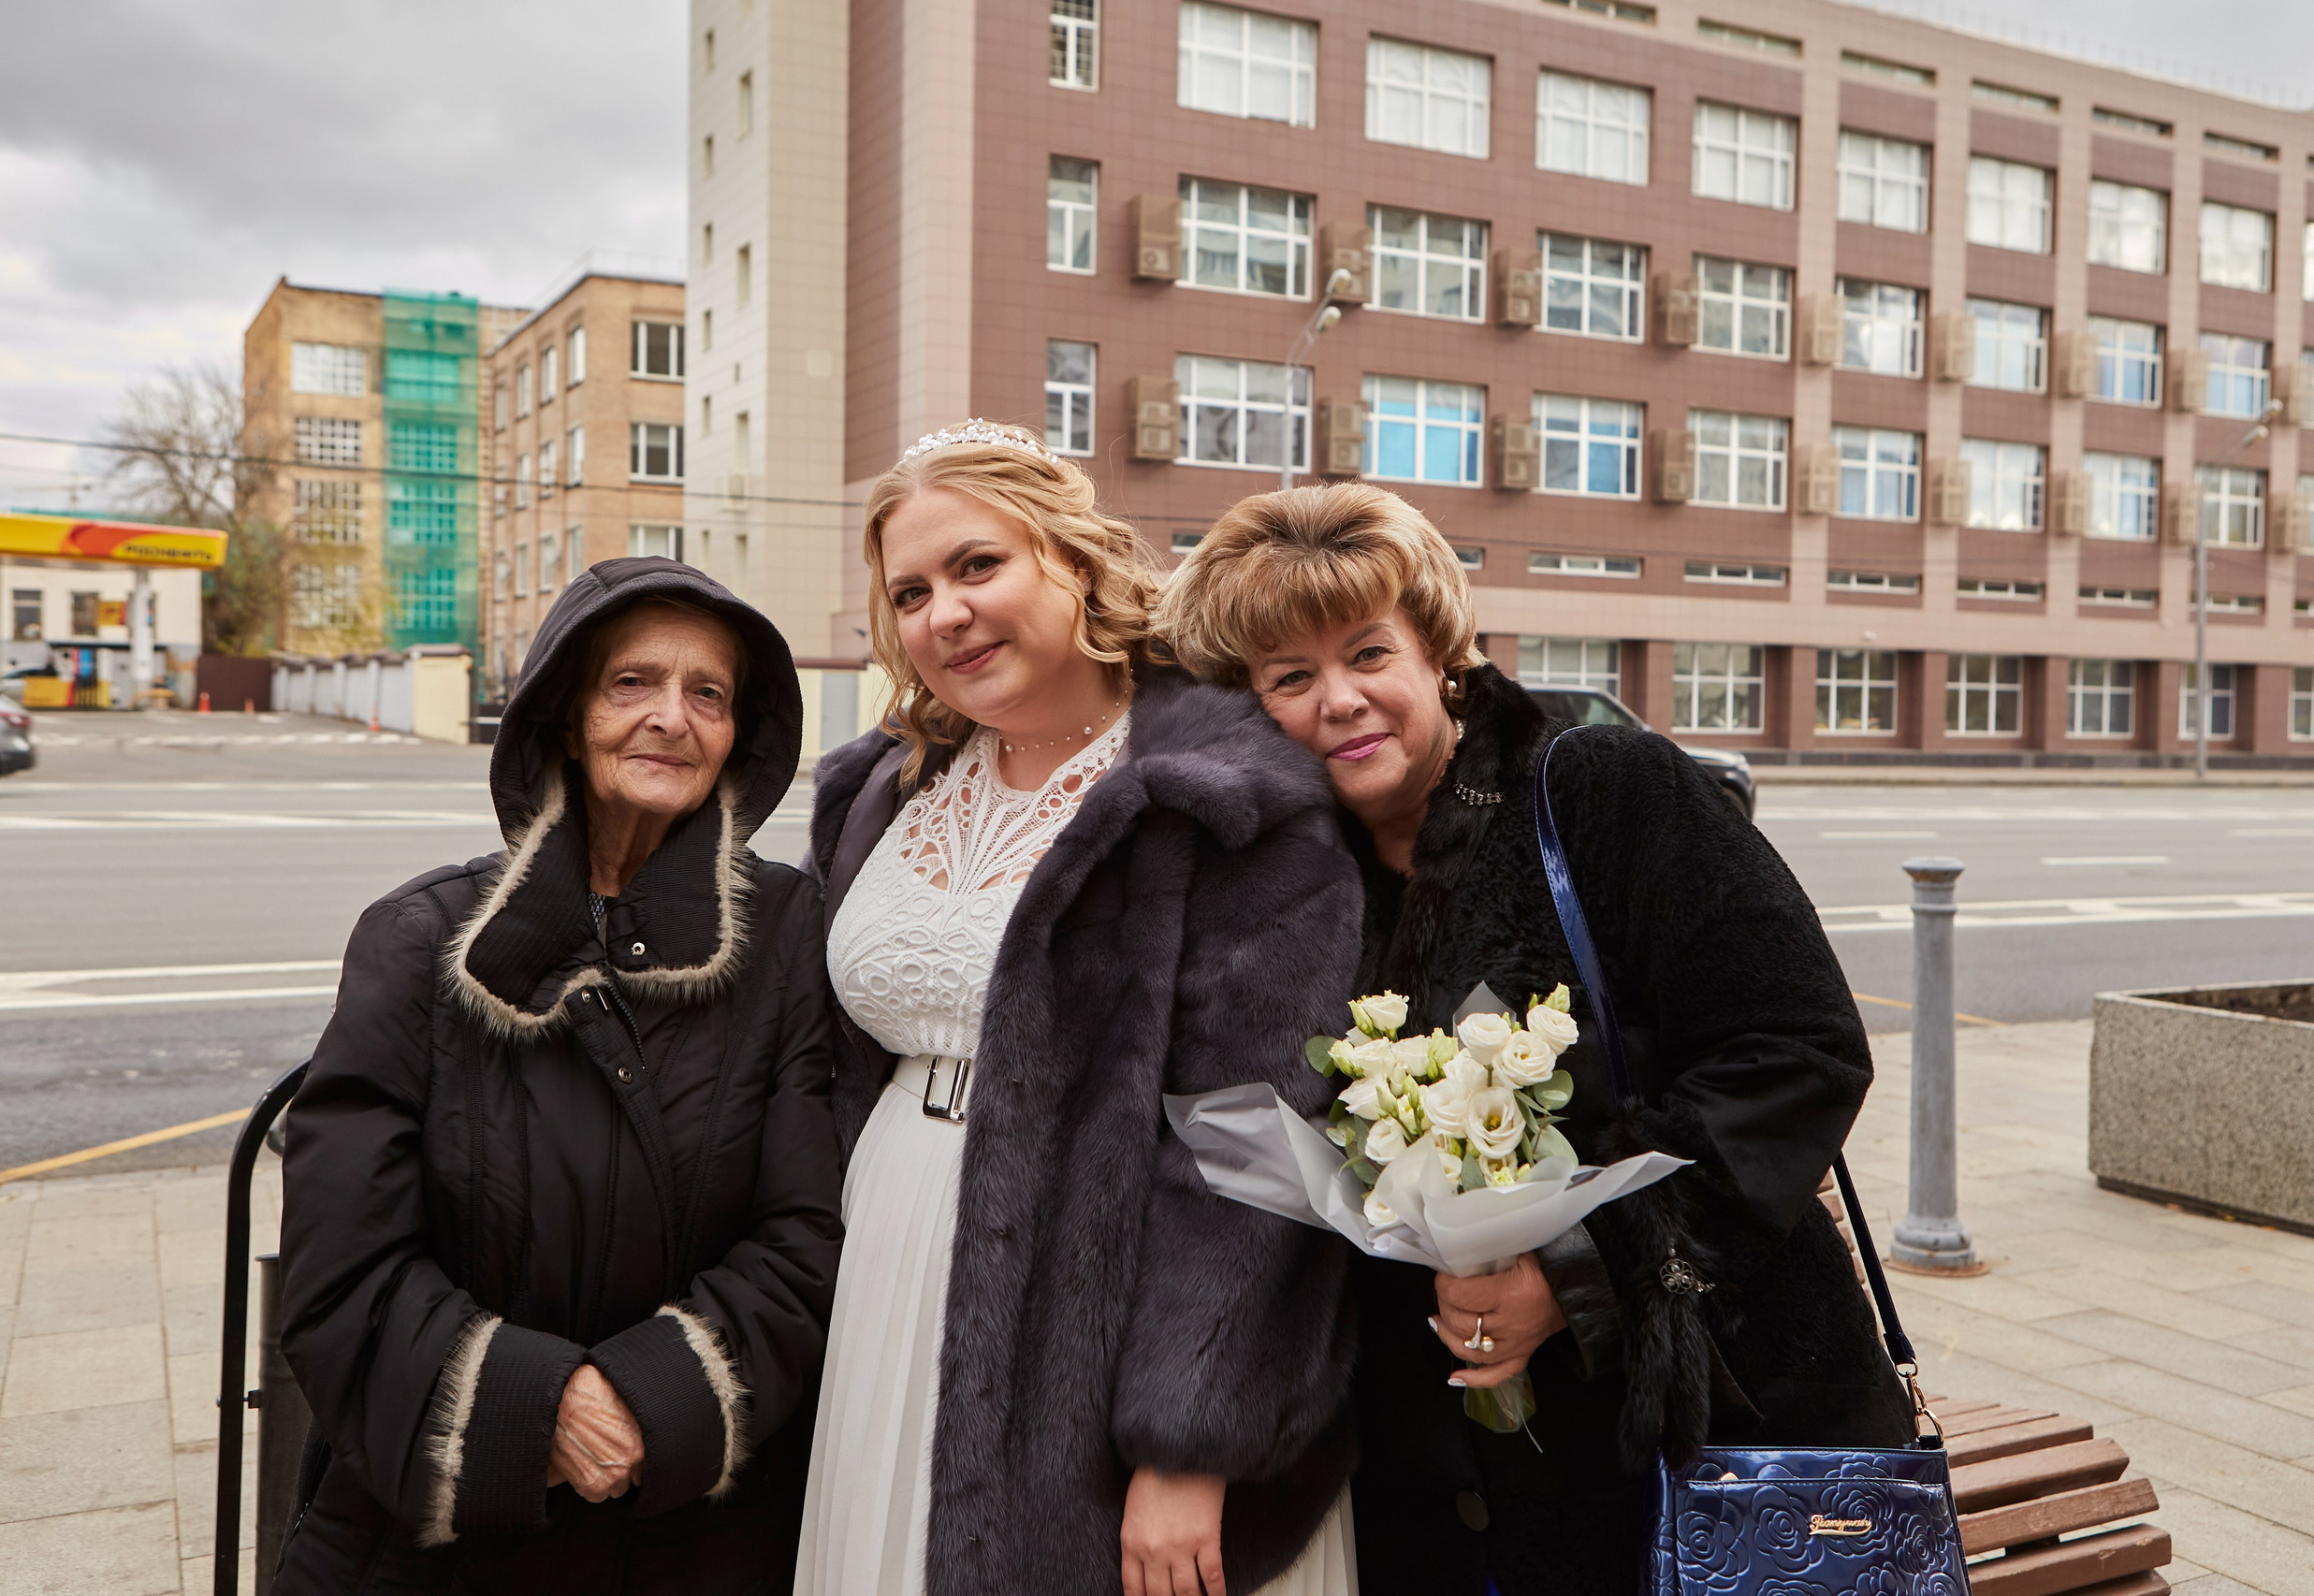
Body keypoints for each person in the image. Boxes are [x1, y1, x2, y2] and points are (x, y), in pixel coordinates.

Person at [1154, 484, 1912, 1596]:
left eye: (1368, 652)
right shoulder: (1283, 889)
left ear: (1437, 652)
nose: (1341, 700)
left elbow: (1795, 1048)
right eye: (1288, 677)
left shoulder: (1601, 790)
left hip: (1692, 1445)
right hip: (1430, 1492)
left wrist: (1580, 1272)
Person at [797, 421, 1362, 1596]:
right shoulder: (877, 787)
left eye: (976, 566)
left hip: (1101, 1317)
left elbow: (1259, 1137)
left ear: (1074, 557)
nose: (944, 613)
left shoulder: (1221, 796)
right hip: (895, 1268)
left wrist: (1187, 1438)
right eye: (910, 591)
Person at [274, 558, 842, 1594]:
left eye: (707, 692)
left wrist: (650, 1399)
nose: (671, 716)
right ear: (566, 712)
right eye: (632, 682)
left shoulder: (789, 934)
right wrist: (538, 1408)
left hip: (697, 1527)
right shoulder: (418, 936)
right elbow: (340, 1261)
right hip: (437, 1534)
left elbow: (810, 1231)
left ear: (736, 735)